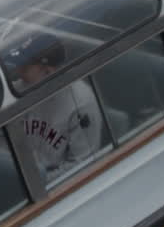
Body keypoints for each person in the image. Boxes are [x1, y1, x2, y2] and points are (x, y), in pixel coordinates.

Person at [9, 33, 103, 183]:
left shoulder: (81, 103)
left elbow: (83, 165)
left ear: (48, 71)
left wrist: (40, 182)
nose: (19, 71)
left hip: (51, 184)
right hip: (18, 173)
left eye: (25, 67)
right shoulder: (19, 90)